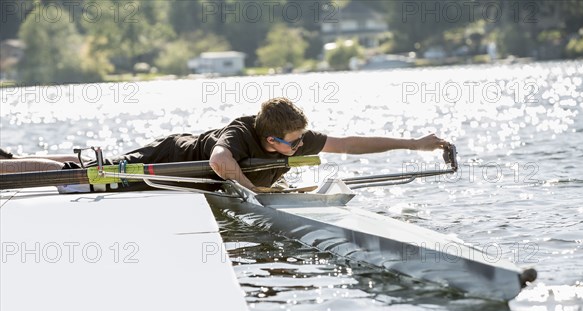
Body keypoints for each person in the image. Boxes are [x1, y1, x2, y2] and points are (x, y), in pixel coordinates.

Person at [0, 97, 450, 191]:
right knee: (84, 178)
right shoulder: (239, 133)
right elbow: (219, 160)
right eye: (292, 144)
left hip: (189, 171)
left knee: (93, 165)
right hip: (170, 158)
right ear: (269, 136)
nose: (300, 147)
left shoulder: (294, 136)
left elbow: (350, 144)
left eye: (300, 140)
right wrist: (258, 193)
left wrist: (415, 144)